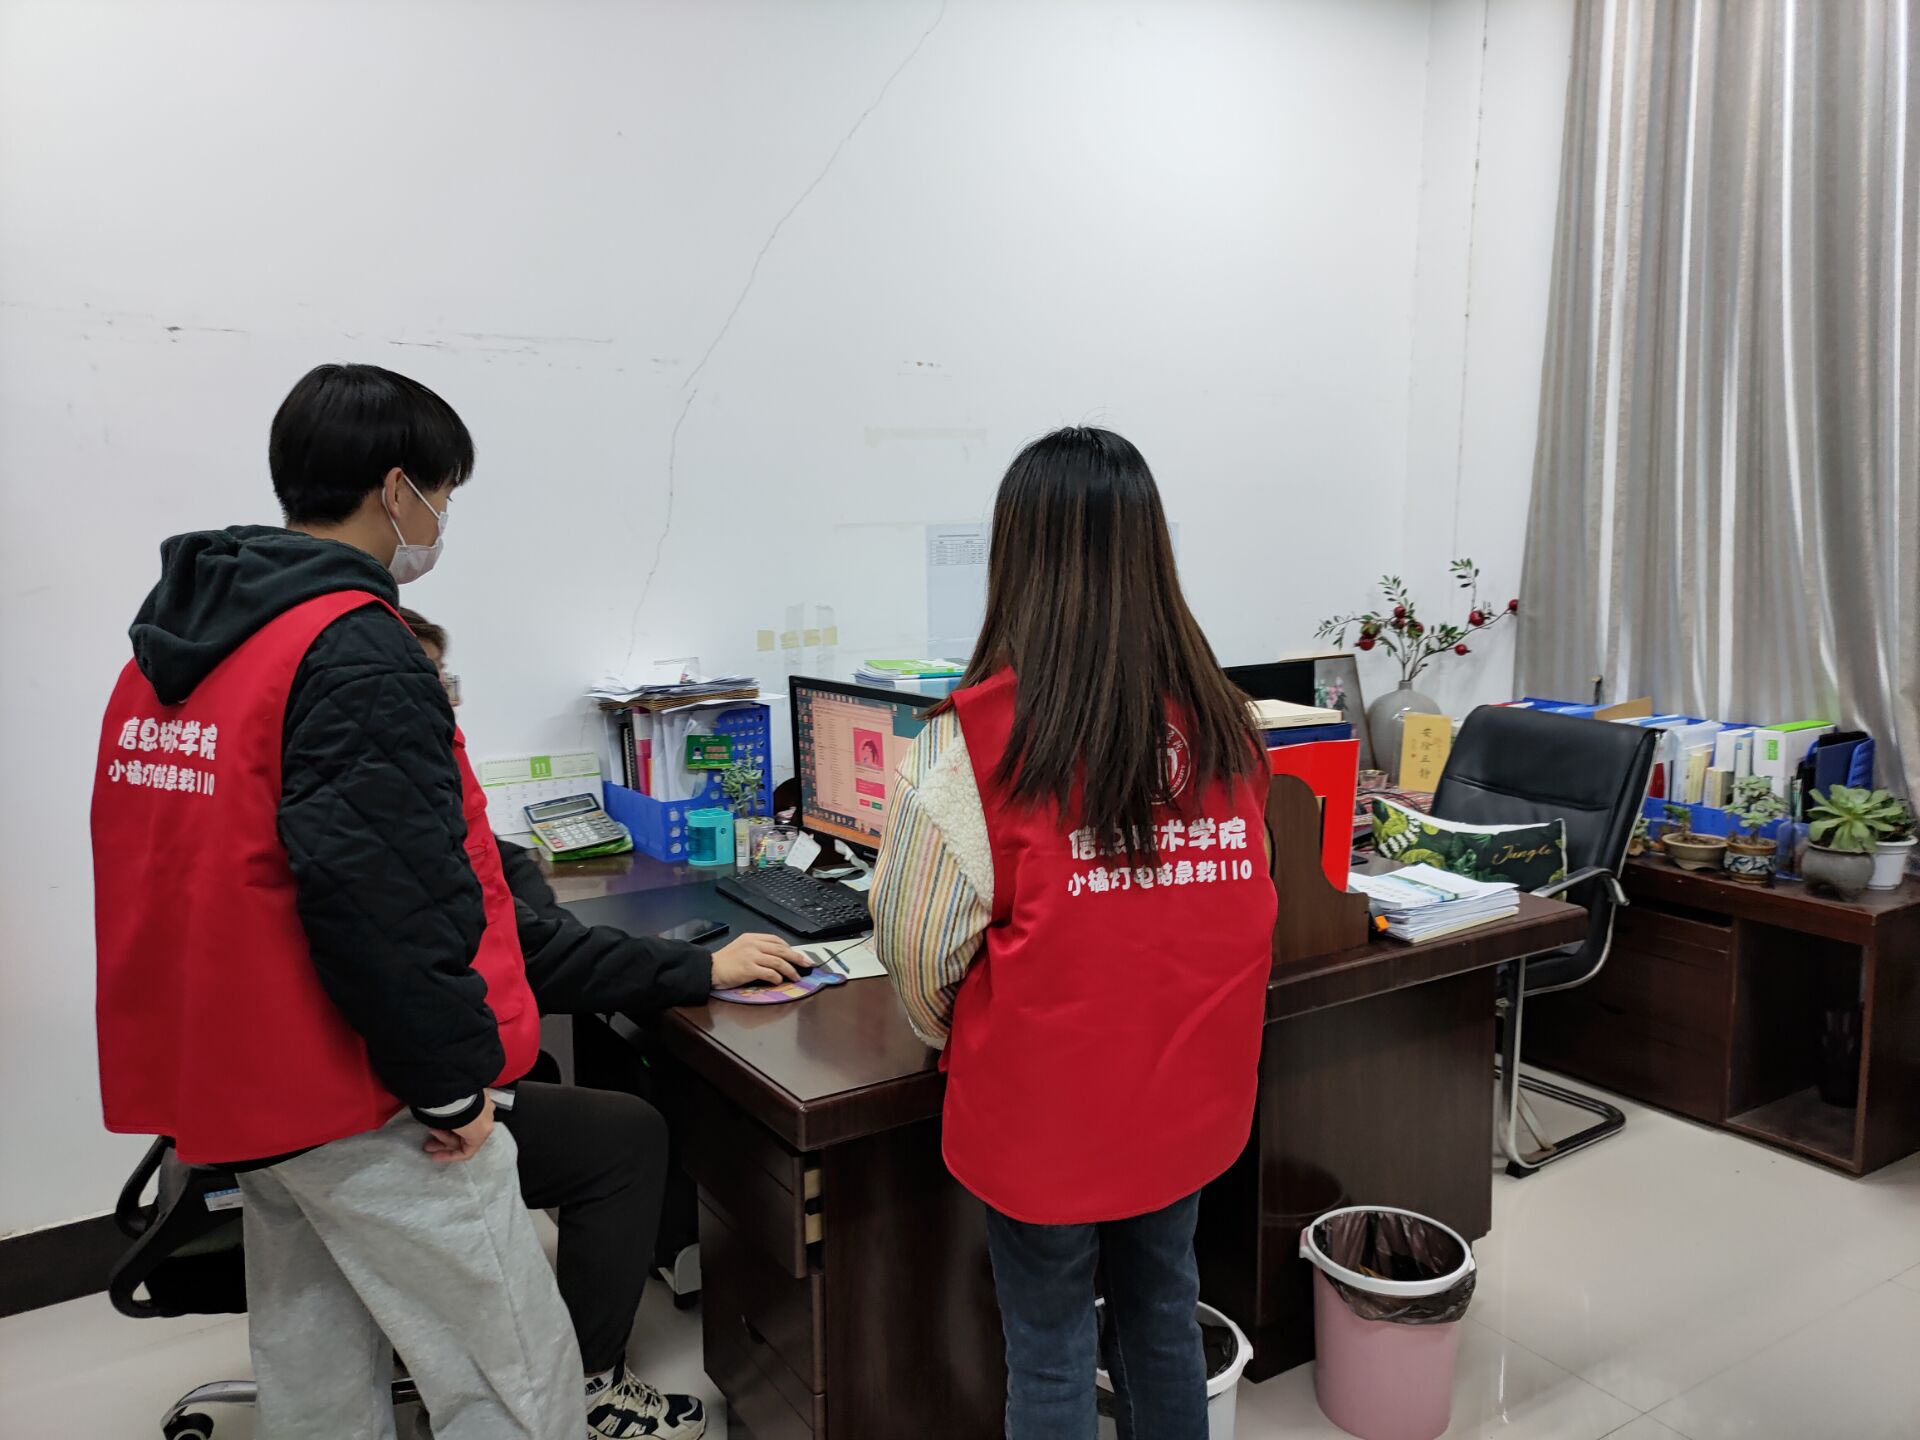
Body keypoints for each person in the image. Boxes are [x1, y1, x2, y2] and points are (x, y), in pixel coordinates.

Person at [92, 363, 585, 1439]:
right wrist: (448, 1089)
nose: (440, 521)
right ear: (396, 489)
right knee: (506, 1366)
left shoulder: (181, 647)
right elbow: (382, 898)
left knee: (313, 1353)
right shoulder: (353, 646)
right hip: (354, 1082)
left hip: (238, 1074)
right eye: (442, 496)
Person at [870, 427, 1277, 1440]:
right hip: (1186, 1099)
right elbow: (1245, 908)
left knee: (1050, 1349)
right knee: (1163, 1314)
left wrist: (967, 1030)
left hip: (1043, 1116)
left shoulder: (973, 743)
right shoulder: (1230, 726)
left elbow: (916, 956)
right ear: (1153, 556)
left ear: (1017, 561)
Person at [397, 606, 807, 1431]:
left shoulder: (406, 777)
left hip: (392, 1080)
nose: (451, 700)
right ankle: (590, 1385)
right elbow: (533, 955)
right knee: (626, 1134)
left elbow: (505, 865)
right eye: (436, 682)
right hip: (413, 1108)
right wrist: (701, 967)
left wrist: (538, 927)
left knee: (568, 1066)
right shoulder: (390, 786)